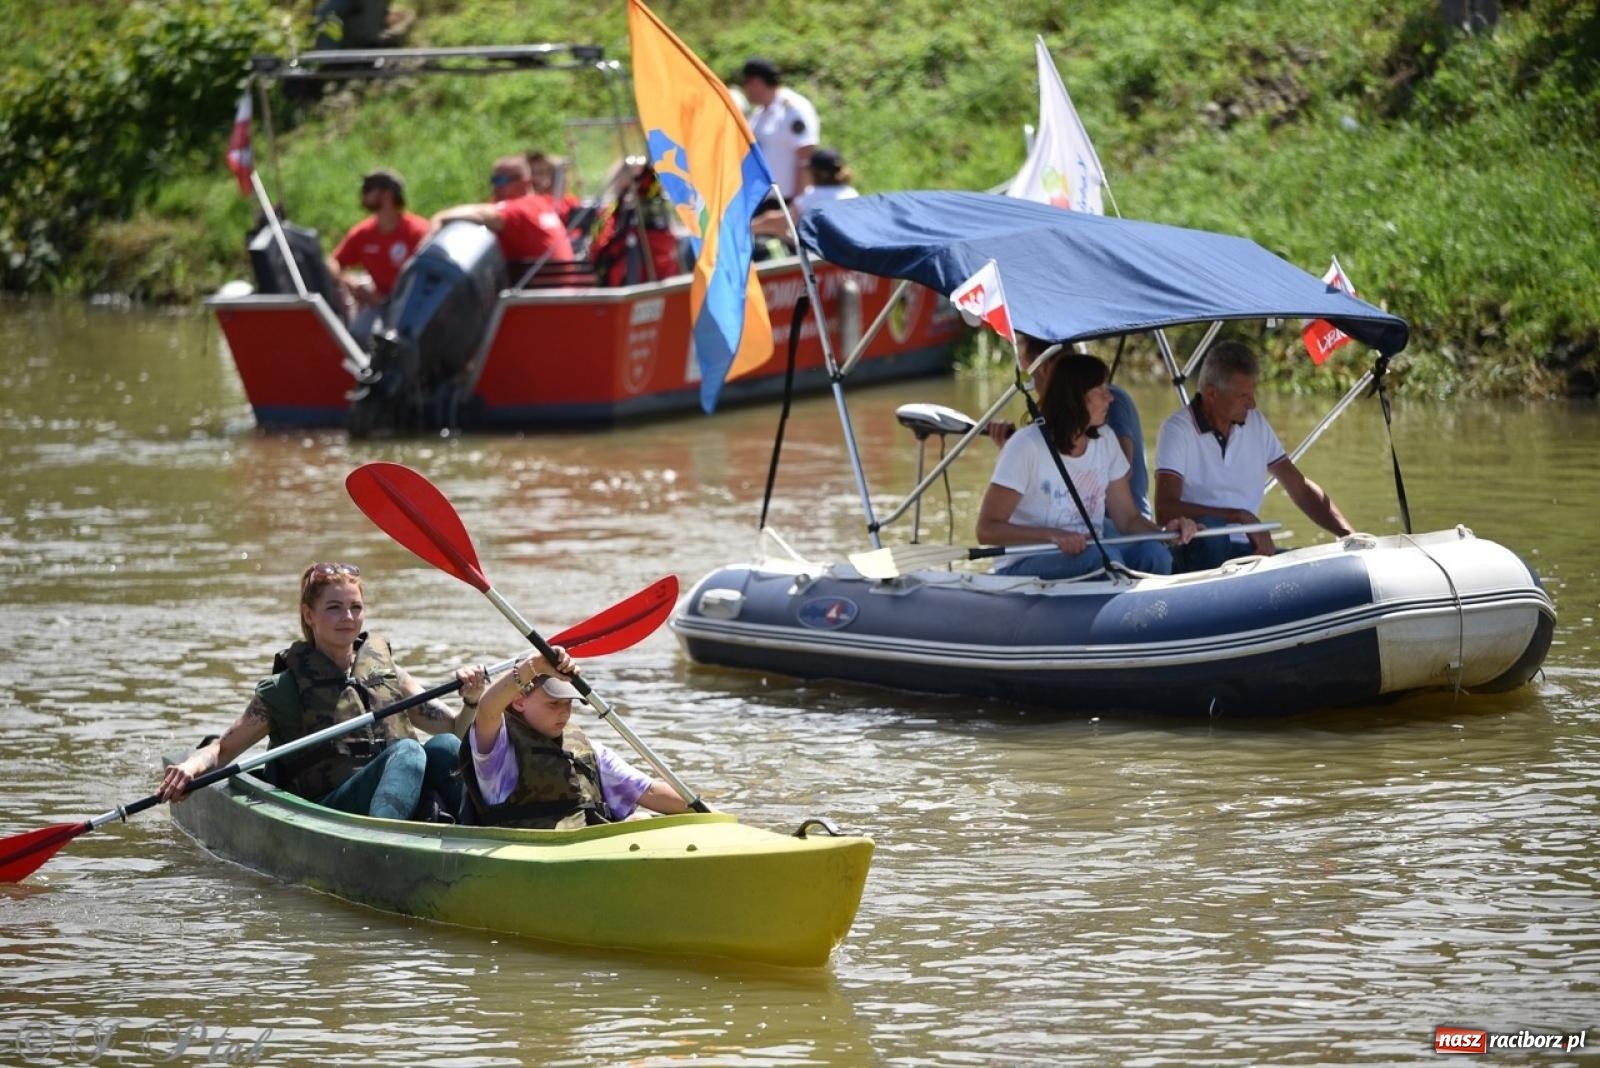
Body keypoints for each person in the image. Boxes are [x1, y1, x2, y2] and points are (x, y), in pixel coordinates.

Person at [155, 563, 479, 821]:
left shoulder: (389, 675)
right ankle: (382, 850)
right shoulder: (285, 688)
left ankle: (475, 833)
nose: (348, 617)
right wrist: (190, 768)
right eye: (334, 608)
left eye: (356, 607)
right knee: (409, 752)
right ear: (309, 615)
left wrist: (473, 698)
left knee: (446, 746)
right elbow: (223, 750)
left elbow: (456, 728)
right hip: (331, 811)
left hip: (393, 795)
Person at [977, 350, 1195, 580]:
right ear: (1076, 398)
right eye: (1100, 390)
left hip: (1092, 552)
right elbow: (987, 529)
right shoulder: (1025, 445)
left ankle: (1149, 613)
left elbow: (1128, 519)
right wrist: (1053, 536)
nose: (1110, 398)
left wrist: (1166, 534)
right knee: (1103, 559)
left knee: (1154, 555)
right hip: (1025, 563)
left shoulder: (1106, 439)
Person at [1154, 340, 1354, 571]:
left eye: (1253, 393)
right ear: (1211, 394)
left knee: (1312, 566)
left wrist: (1349, 535)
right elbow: (1165, 509)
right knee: (1211, 533)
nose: (1252, 403)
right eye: (1243, 396)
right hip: (1195, 550)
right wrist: (1238, 516)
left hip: (1249, 552)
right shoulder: (1177, 429)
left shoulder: (1255, 422)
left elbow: (1298, 486)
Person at [455, 648, 691, 829]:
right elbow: (487, 709)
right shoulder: (497, 750)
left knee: (643, 821)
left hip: (587, 848)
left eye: (568, 703)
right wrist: (535, 665)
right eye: (554, 703)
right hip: (528, 852)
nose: (564, 712)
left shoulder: (590, 751)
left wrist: (716, 817)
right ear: (518, 700)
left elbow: (650, 792)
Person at [429, 156, 578, 285]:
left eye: (500, 180)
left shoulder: (520, 208)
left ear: (525, 182)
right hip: (550, 289)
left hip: (536, 294)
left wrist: (440, 217)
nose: (495, 187)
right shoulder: (540, 204)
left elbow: (481, 214)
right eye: (493, 180)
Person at [326, 168, 429, 344]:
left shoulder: (418, 231)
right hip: (378, 303)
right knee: (356, 336)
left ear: (387, 194)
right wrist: (347, 280)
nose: (362, 194)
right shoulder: (363, 233)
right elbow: (333, 261)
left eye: (368, 189)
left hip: (414, 307)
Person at [741, 58, 819, 203]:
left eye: (746, 83)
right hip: (762, 198)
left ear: (756, 82)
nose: (745, 90)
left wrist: (798, 202)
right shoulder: (759, 114)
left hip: (787, 200)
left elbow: (805, 156)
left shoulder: (792, 109)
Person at [752, 146, 859, 243]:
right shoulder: (851, 193)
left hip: (825, 255)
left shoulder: (812, 198)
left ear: (815, 172)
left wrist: (747, 227)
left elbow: (779, 221)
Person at [524, 149, 581, 226]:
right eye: (531, 173)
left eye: (541, 173)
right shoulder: (526, 203)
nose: (534, 178)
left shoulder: (569, 202)